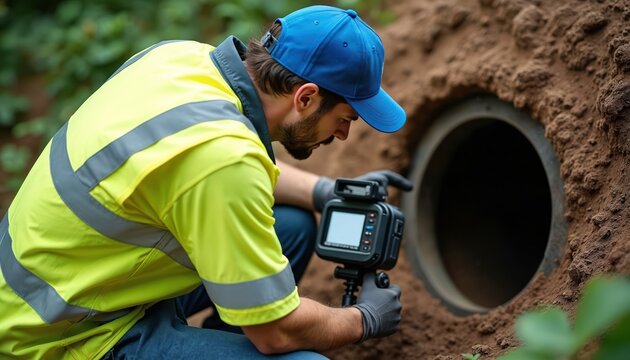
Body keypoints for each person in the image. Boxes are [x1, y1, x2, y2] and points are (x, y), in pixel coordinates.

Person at [0, 5, 413, 359]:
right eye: (344, 120)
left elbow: (199, 168)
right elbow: (277, 332)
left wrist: (325, 193)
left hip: (64, 285)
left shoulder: (180, 58)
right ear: (305, 98)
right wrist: (364, 319)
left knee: (293, 226)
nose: (342, 136)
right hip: (63, 335)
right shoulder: (224, 160)